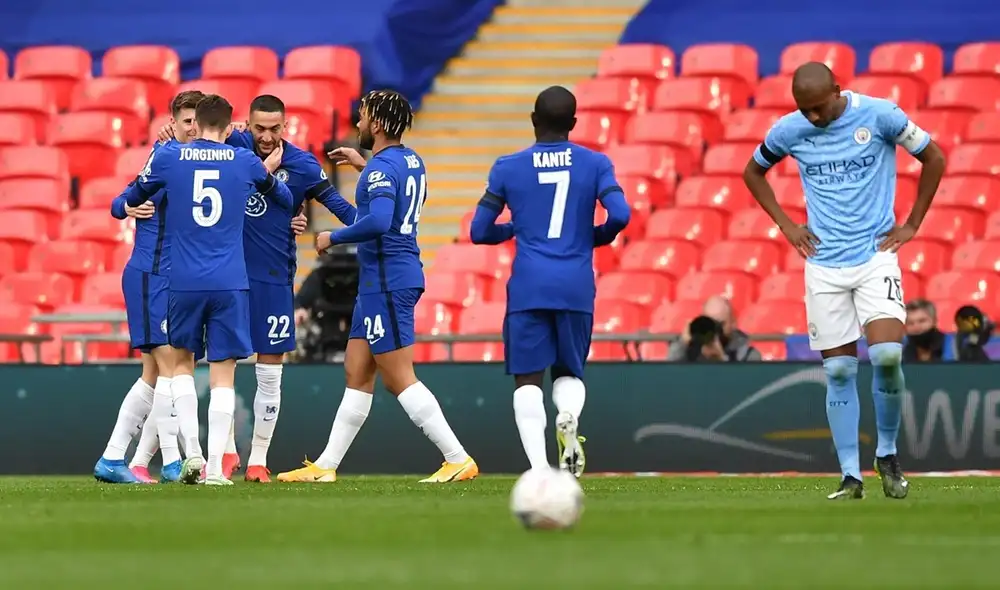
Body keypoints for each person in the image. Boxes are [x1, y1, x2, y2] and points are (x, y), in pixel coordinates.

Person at [742, 62, 946, 500]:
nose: (812, 118)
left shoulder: (880, 115)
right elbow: (752, 172)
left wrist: (911, 225)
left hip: (875, 257)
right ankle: (851, 475)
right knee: (837, 370)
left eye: (818, 108)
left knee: (888, 355)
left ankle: (887, 453)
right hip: (824, 265)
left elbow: (934, 156)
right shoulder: (789, 130)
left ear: (837, 90)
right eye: (805, 111)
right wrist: (786, 225)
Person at [276, 89, 478, 484]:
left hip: (388, 279)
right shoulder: (409, 161)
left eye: (364, 116)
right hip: (382, 280)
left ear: (379, 125)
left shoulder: (380, 170)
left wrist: (332, 238)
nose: (358, 123)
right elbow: (373, 213)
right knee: (356, 370)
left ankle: (457, 458)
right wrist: (363, 165)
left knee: (398, 376)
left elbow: (378, 222)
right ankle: (326, 466)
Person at [123, 94, 294, 485]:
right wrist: (267, 176)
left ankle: (194, 456)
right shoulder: (245, 160)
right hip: (231, 282)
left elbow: (134, 197)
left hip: (183, 281)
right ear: (232, 128)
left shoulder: (168, 156)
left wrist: (135, 204)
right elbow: (283, 198)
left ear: (195, 125)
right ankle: (217, 469)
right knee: (224, 374)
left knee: (180, 366)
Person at [468, 85, 630, 477]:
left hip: (529, 286)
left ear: (534, 121)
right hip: (575, 283)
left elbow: (478, 230)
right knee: (569, 372)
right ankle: (569, 416)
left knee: (527, 379)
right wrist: (594, 235)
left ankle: (539, 467)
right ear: (573, 124)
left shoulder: (508, 167)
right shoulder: (595, 164)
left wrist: (513, 228)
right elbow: (621, 214)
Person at [93, 90, 205, 485]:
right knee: (171, 367)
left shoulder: (198, 164)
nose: (193, 128)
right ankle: (173, 460)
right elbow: (121, 199)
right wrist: (126, 207)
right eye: (186, 121)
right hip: (150, 274)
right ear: (173, 123)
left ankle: (113, 458)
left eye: (198, 120)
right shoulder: (163, 159)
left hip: (177, 281)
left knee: (156, 373)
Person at [667, 296, 761, 362]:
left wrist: (720, 361)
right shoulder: (691, 348)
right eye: (710, 323)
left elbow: (745, 386)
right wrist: (683, 344)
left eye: (720, 324)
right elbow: (669, 374)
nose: (715, 330)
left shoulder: (748, 354)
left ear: (733, 323)